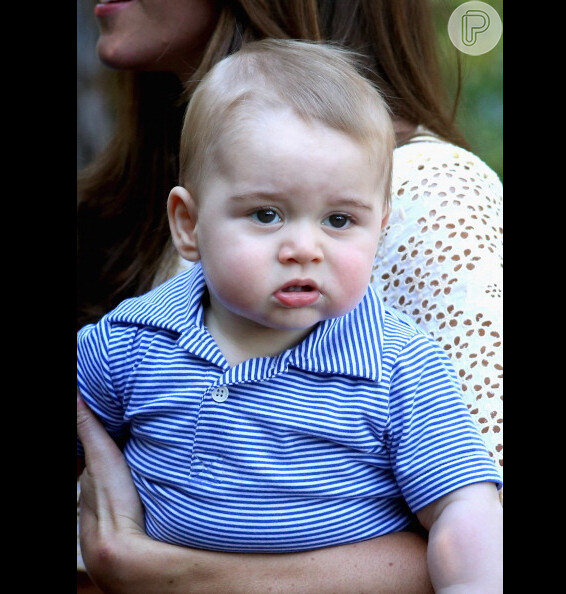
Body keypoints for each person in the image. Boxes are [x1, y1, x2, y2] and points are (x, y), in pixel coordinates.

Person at [77, 1, 503, 591]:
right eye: (267, 214)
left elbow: (464, 508)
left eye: (338, 220)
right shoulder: (136, 340)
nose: (304, 248)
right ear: (187, 224)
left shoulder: (398, 368)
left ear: (381, 226)